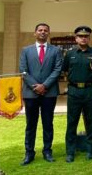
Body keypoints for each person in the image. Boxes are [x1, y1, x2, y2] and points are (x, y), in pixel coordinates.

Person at [19, 23, 63, 165]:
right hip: (30, 94)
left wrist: (44, 85)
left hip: (49, 93)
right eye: (40, 30)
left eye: (45, 31)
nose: (43, 32)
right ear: (35, 33)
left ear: (49, 33)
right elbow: (23, 71)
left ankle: (47, 151)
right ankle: (29, 153)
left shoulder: (56, 51)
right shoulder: (26, 51)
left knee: (48, 123)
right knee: (30, 124)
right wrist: (36, 87)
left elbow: (57, 70)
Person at [63, 26, 92, 163]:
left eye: (86, 36)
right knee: (72, 122)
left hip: (89, 91)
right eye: (80, 36)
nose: (83, 38)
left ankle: (90, 149)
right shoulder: (69, 54)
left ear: (89, 38)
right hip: (74, 91)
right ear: (76, 38)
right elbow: (65, 71)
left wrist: (89, 82)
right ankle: (70, 151)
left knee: (90, 121)